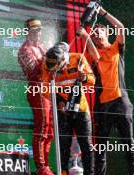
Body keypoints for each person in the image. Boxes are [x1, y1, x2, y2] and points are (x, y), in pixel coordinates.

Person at [78, 6, 134, 175]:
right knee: (100, 149)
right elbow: (90, 46)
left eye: (99, 32)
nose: (97, 35)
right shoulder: (93, 55)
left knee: (129, 144)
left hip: (121, 102)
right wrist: (84, 34)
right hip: (102, 106)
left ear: (107, 33)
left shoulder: (116, 48)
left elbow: (121, 27)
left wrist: (102, 12)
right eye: (94, 33)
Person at [41, 42, 95, 175]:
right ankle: (63, 172)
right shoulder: (47, 64)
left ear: (64, 59)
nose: (52, 70)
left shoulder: (78, 58)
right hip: (62, 110)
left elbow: (93, 80)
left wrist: (84, 77)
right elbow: (44, 89)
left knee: (86, 145)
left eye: (55, 67)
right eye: (50, 68)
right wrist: (59, 102)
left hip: (80, 108)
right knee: (63, 145)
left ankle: (90, 173)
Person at [18, 18, 54, 175]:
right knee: (42, 127)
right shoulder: (24, 50)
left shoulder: (41, 46)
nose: (39, 33)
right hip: (36, 90)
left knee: (50, 130)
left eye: (39, 30)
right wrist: (49, 59)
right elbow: (34, 71)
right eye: (35, 30)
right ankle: (41, 167)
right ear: (28, 32)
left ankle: (46, 165)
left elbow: (51, 67)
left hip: (47, 91)